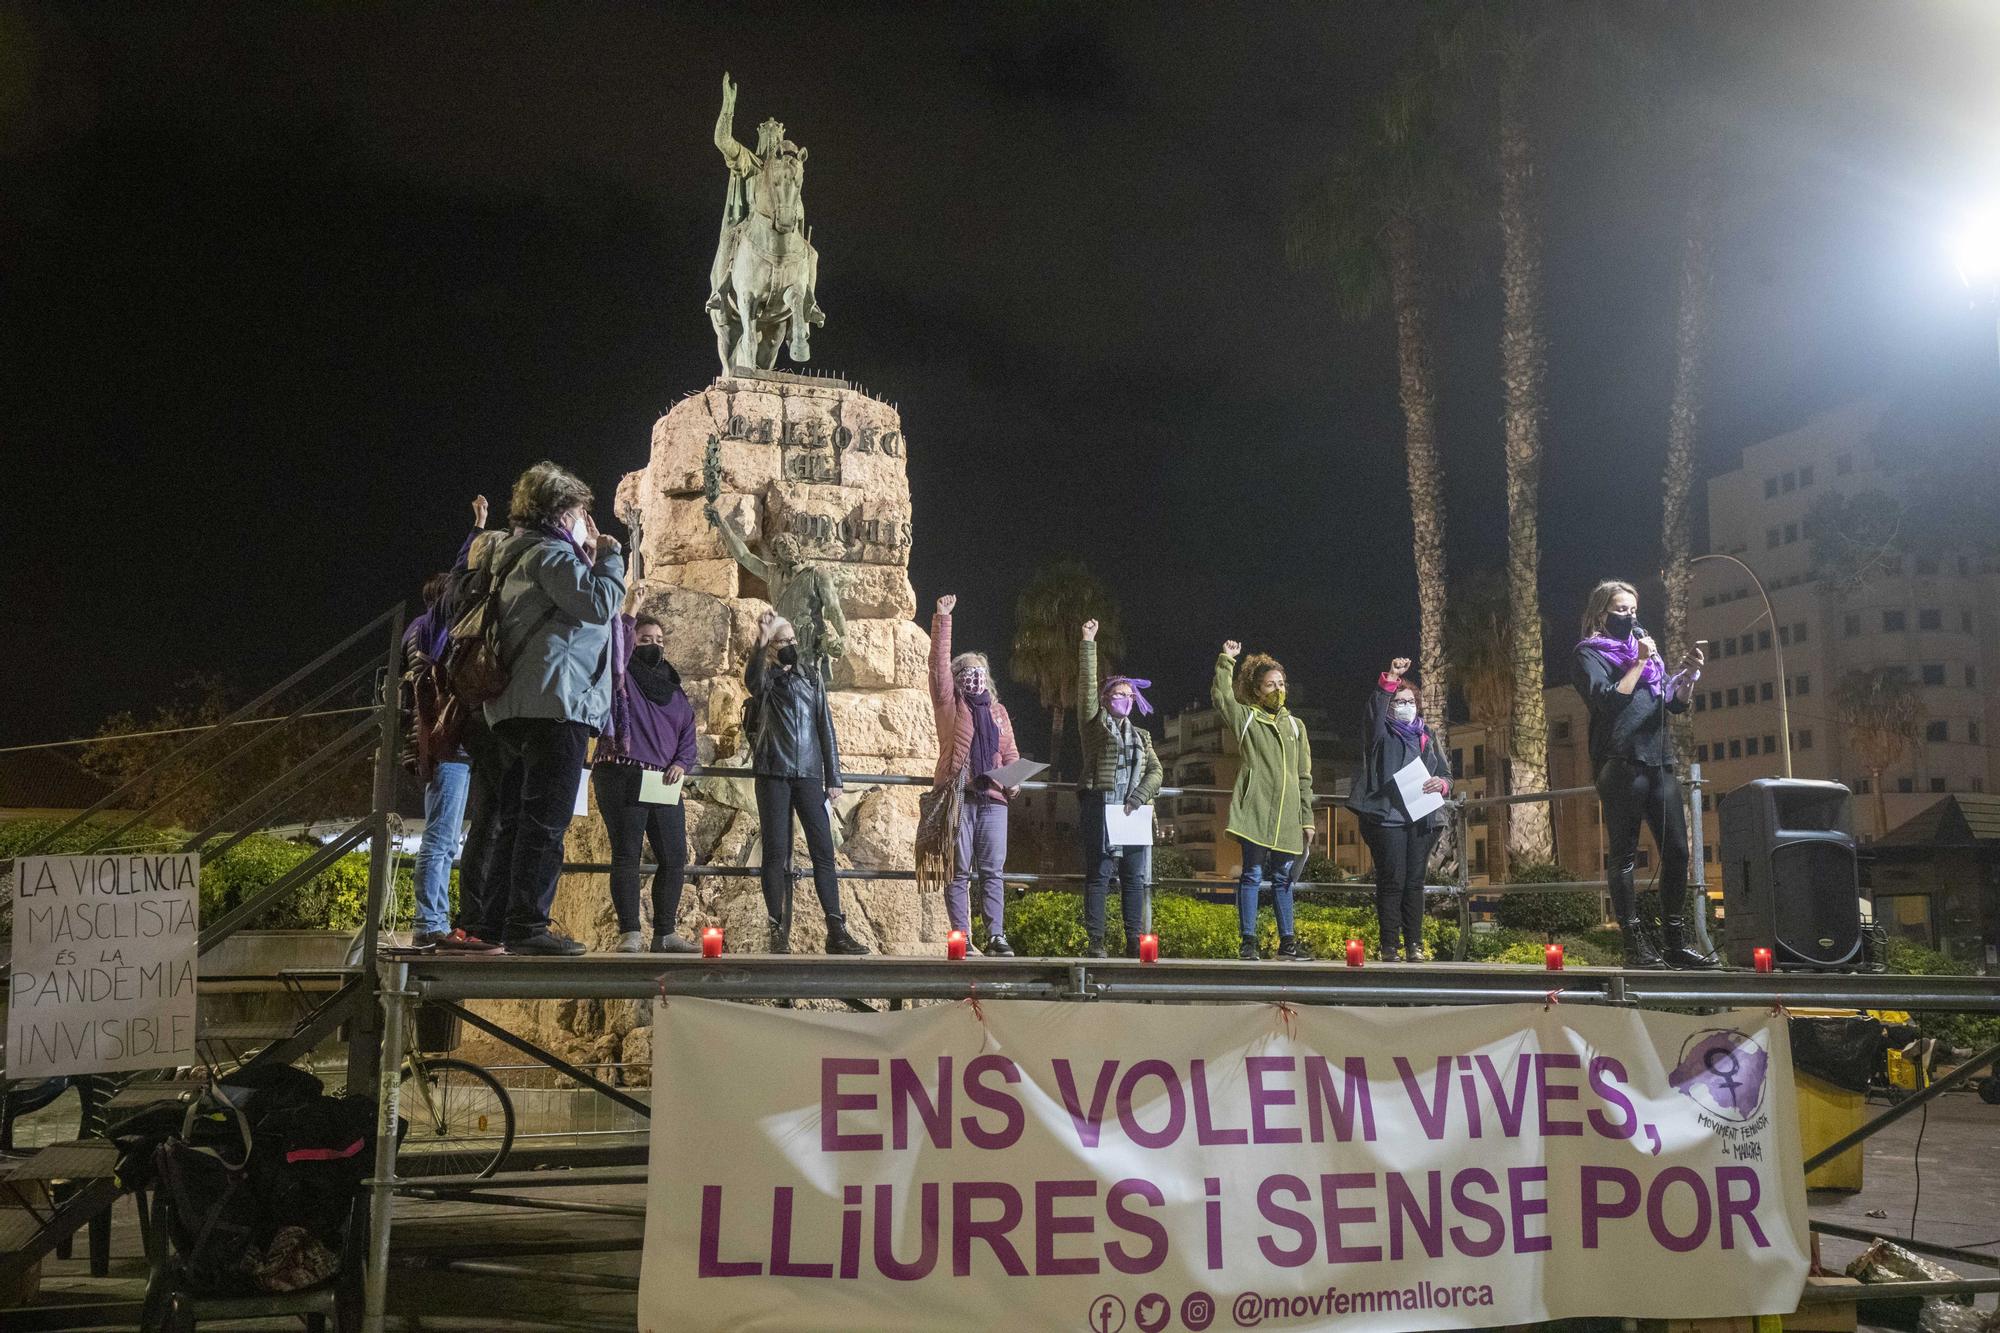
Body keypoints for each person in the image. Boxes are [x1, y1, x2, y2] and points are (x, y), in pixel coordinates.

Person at [482, 461, 626, 956]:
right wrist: (610, 556)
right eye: (581, 509)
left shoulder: (513, 555)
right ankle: (527, 926)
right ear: (561, 511)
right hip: (556, 703)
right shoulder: (550, 555)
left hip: (518, 706)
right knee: (545, 821)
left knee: (515, 821)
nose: (588, 518)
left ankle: (493, 924)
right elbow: (600, 604)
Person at [1573, 580, 1714, 970]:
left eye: (1634, 610)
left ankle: (1675, 940)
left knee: (1678, 852)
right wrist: (1636, 662)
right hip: (1620, 762)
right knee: (1623, 856)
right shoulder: (1589, 655)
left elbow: (1672, 704)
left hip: (1659, 761)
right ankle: (1634, 943)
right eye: (1621, 610)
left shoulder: (1648, 657)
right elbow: (1607, 701)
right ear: (1602, 615)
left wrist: (1686, 677)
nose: (1631, 617)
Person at [746, 611, 868, 955]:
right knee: (775, 854)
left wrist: (835, 778)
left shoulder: (810, 677)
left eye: (792, 640)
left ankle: (836, 931)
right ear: (772, 646)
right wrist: (762, 638)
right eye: (783, 641)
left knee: (824, 854)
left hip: (810, 774)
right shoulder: (767, 678)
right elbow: (751, 683)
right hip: (773, 772)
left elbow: (825, 728)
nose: (791, 646)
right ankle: (777, 932)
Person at [404, 495, 490, 949]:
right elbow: (462, 576)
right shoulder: (434, 625)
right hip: (447, 743)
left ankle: (432, 920)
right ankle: (430, 923)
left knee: (443, 833)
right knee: (441, 837)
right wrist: (476, 530)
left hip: (434, 741)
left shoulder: (415, 633)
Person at [591, 613, 699, 954]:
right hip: (622, 774)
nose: (654, 645)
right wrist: (629, 615)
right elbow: (615, 657)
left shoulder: (674, 689)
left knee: (674, 856)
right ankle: (630, 933)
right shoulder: (622, 678)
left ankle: (664, 933)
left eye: (659, 640)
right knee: (627, 854)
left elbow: (688, 731)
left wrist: (682, 762)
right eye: (645, 639)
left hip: (662, 781)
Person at [927, 595, 1022, 956]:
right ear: (957, 679)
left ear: (987, 677)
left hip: (994, 801)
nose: (973, 675)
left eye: (978, 670)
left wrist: (1014, 780)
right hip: (960, 797)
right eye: (965, 671)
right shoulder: (949, 705)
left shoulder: (998, 711)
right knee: (958, 871)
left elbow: (1010, 751)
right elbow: (937, 667)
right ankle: (962, 937)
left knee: (993, 872)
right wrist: (943, 619)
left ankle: (997, 936)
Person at [1213, 641, 1316, 961]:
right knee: (1252, 875)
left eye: (1281, 684)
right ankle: (1249, 941)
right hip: (1255, 810)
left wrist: (1307, 817)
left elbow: (1304, 777)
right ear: (1256, 690)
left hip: (1287, 815)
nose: (1278, 689)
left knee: (1284, 879)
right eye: (1270, 684)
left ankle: (1288, 943)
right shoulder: (1246, 718)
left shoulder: (1296, 726)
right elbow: (1221, 698)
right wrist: (1226, 661)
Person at [1346, 657, 1452, 961]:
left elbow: (1446, 775)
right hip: (1387, 818)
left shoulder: (1427, 735)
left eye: (1410, 701)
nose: (1406, 706)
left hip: (1423, 819)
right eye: (1399, 701)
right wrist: (1391, 678)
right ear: (1390, 706)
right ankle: (1389, 944)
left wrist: (1441, 785)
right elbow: (1375, 711)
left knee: (1414, 881)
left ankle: (1414, 944)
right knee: (1392, 879)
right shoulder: (1381, 735)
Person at [1078, 619, 1163, 959]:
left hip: (1133, 811)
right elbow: (1085, 690)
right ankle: (1096, 942)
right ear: (1106, 698)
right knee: (1098, 876)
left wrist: (1139, 796)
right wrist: (1088, 643)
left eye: (1130, 696)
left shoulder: (1142, 736)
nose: (1125, 700)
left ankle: (1133, 941)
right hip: (1100, 806)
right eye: (1119, 695)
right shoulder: (1093, 726)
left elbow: (1156, 770)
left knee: (1133, 878)